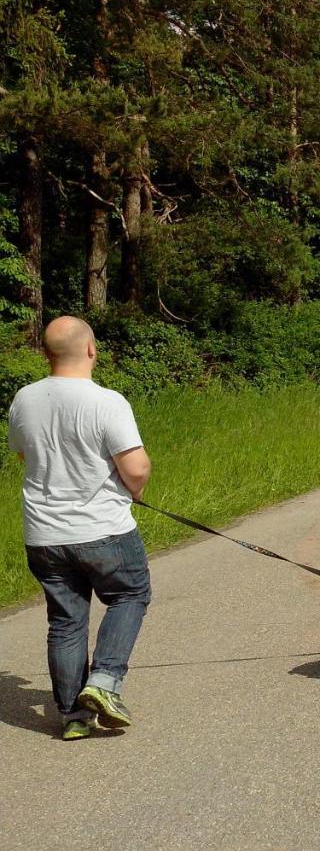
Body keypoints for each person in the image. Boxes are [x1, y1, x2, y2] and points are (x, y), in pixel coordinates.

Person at [9, 316, 153, 741]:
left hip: (44, 535)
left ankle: (74, 716)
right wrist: (135, 490)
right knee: (130, 594)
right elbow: (136, 466)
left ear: (45, 353)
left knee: (66, 621)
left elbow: (24, 456)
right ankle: (105, 682)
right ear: (91, 349)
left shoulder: (23, 400)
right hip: (102, 529)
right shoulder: (106, 401)